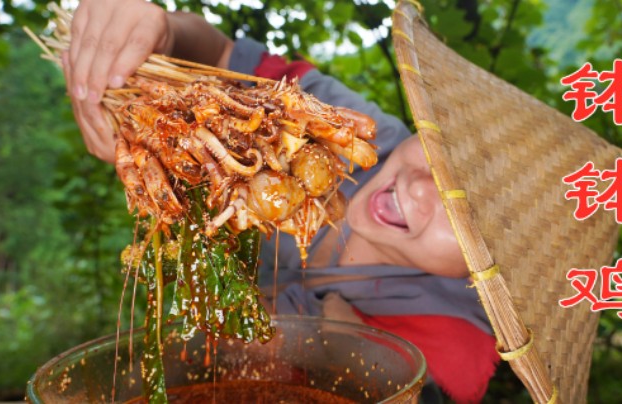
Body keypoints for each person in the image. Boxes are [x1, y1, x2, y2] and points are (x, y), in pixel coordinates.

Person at [64, 0, 499, 401]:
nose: (425, 188)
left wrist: (332, 337)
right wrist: (159, 32)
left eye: (471, 213)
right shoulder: (354, 132)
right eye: (446, 152)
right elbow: (222, 59)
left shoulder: (459, 340)